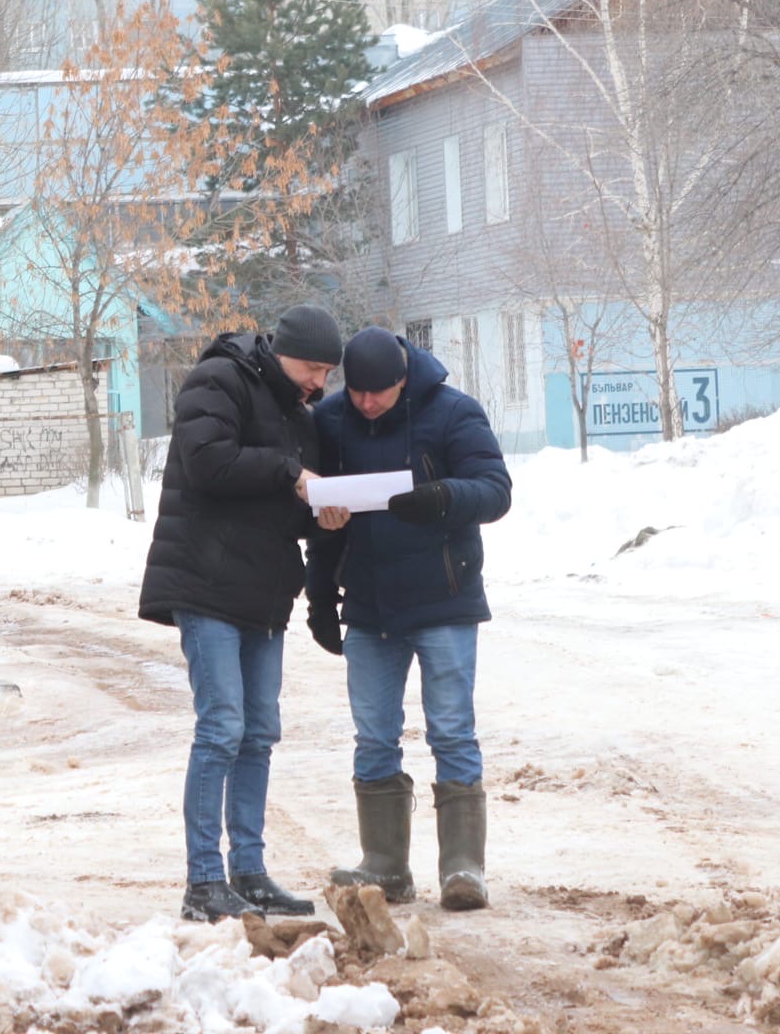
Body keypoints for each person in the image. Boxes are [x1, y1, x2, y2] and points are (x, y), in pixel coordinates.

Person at [140, 304, 344, 922]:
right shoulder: (219, 379)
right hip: (206, 585)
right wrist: (292, 474)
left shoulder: (298, 415)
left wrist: (323, 510)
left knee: (259, 734)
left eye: (327, 373)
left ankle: (249, 873)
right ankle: (203, 881)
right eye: (314, 368)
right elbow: (209, 463)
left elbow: (286, 503)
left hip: (262, 595)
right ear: (284, 353)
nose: (320, 384)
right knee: (222, 728)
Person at [304, 326, 511, 911]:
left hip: (444, 599)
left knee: (451, 728)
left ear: (404, 377)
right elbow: (320, 514)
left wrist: (442, 497)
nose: (367, 403)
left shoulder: (452, 412)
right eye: (358, 392)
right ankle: (386, 866)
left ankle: (463, 868)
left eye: (381, 392)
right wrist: (321, 597)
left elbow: (495, 490)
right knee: (373, 735)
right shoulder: (332, 420)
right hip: (369, 606)